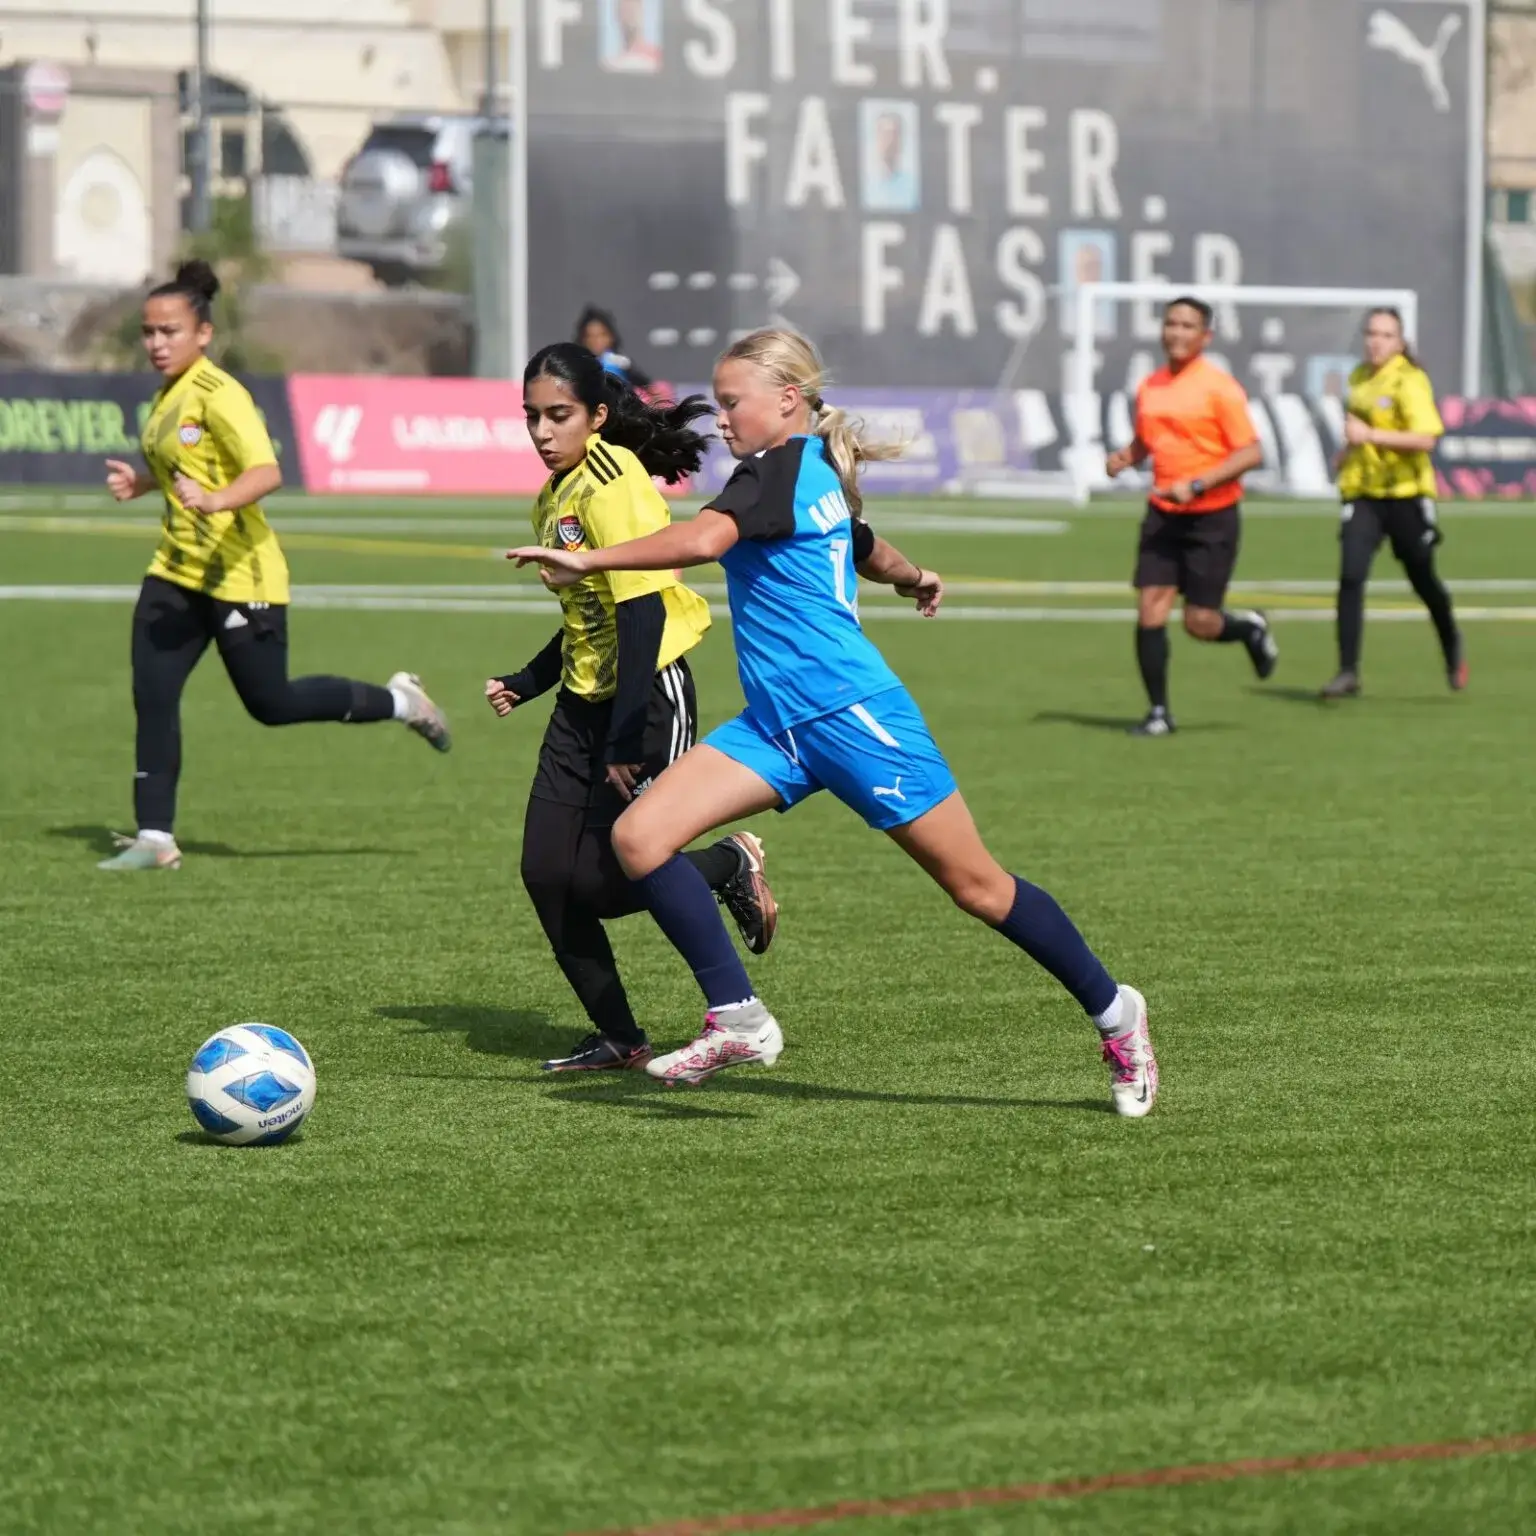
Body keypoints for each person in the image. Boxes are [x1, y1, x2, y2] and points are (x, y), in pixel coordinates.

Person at [510, 329, 1158, 1118]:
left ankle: (1116, 1012)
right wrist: (915, 576)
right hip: (777, 727)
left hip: (853, 717)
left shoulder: (772, 474)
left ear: (787, 401)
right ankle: (738, 1018)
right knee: (640, 837)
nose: (721, 420)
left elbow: (706, 539)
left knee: (980, 888)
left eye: (733, 403)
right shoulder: (808, 470)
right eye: (717, 404)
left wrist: (594, 559)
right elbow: (861, 544)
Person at [98, 260, 448, 873]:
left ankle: (401, 702)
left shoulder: (219, 394)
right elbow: (190, 466)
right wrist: (147, 481)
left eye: (169, 332)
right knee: (152, 694)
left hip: (241, 576)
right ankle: (155, 837)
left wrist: (217, 501)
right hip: (176, 571)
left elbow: (266, 472)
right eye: (149, 332)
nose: (156, 343)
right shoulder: (168, 396)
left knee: (272, 704)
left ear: (203, 333)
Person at [493, 342, 778, 1072]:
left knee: (609, 874)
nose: (541, 431)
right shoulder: (554, 493)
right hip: (584, 705)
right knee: (545, 873)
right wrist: (530, 679)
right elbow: (591, 613)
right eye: (531, 417)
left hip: (645, 699)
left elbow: (644, 611)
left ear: (594, 416)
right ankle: (620, 1036)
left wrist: (624, 741)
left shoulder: (611, 479)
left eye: (557, 416)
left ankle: (725, 865)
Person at [1105, 296, 1278, 736]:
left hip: (1212, 516)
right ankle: (1159, 712)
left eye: (1188, 326)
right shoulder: (1151, 386)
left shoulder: (1220, 388)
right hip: (1163, 513)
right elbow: (1150, 438)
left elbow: (1251, 452)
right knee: (1150, 611)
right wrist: (1127, 455)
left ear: (1206, 336)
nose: (1178, 332)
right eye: (1172, 323)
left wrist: (1198, 484)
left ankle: (1250, 629)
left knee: (1200, 623)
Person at [1321, 308, 1464, 698]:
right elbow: (1358, 431)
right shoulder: (1358, 377)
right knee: (1351, 576)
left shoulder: (1409, 380)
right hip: (1364, 494)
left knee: (1423, 579)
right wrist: (1345, 453)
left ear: (1399, 342)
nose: (1375, 341)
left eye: (1385, 335)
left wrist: (1371, 435)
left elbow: (1426, 439)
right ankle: (1347, 670)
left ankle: (1452, 642)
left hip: (1405, 496)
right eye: (1371, 333)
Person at [575, 305, 653, 391]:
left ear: (611, 337)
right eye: (590, 336)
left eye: (602, 335)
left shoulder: (620, 362)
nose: (596, 341)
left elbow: (646, 385)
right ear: (582, 339)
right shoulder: (577, 365)